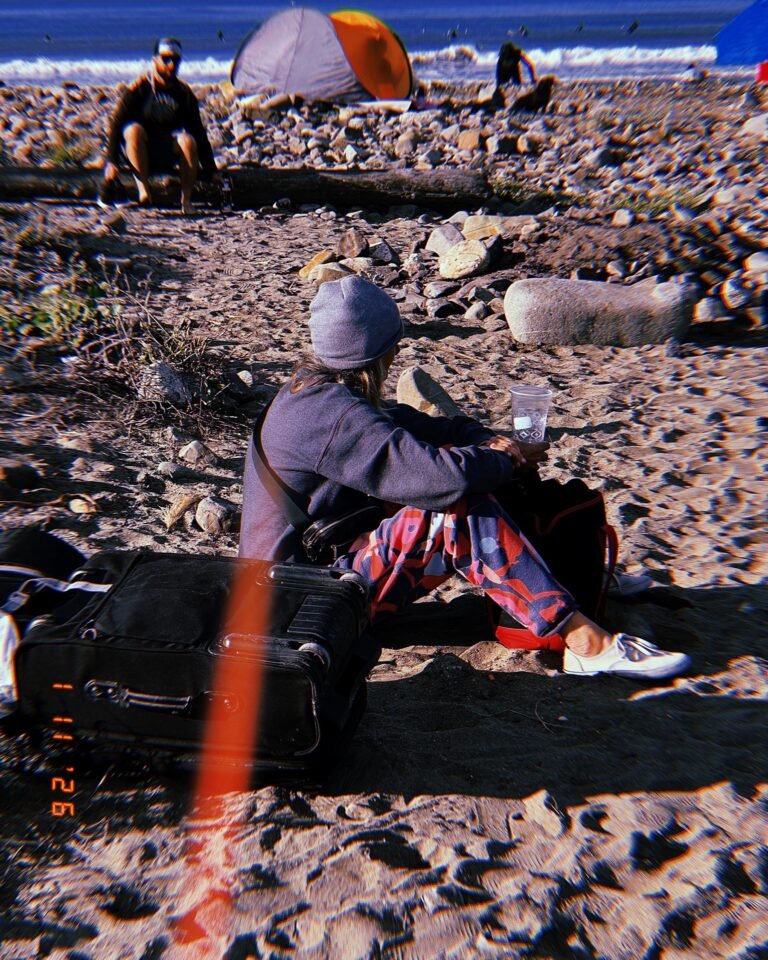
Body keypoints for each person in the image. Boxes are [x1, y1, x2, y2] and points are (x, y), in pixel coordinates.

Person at [239, 277, 691, 681]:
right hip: (302, 608)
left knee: (469, 474)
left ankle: (571, 572)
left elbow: (420, 427)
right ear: (382, 351)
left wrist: (489, 442)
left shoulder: (319, 390)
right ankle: (582, 640)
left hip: (312, 576)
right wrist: (503, 461)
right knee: (453, 510)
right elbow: (442, 480)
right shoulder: (331, 416)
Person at [102, 38, 219, 214]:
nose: (171, 64)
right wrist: (112, 161)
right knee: (133, 130)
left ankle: (186, 201)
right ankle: (144, 194)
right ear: (155, 60)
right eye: (165, 59)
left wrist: (212, 170)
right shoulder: (139, 88)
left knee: (187, 140)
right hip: (137, 149)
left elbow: (198, 133)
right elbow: (117, 123)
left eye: (175, 60)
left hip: (165, 150)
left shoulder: (184, 93)